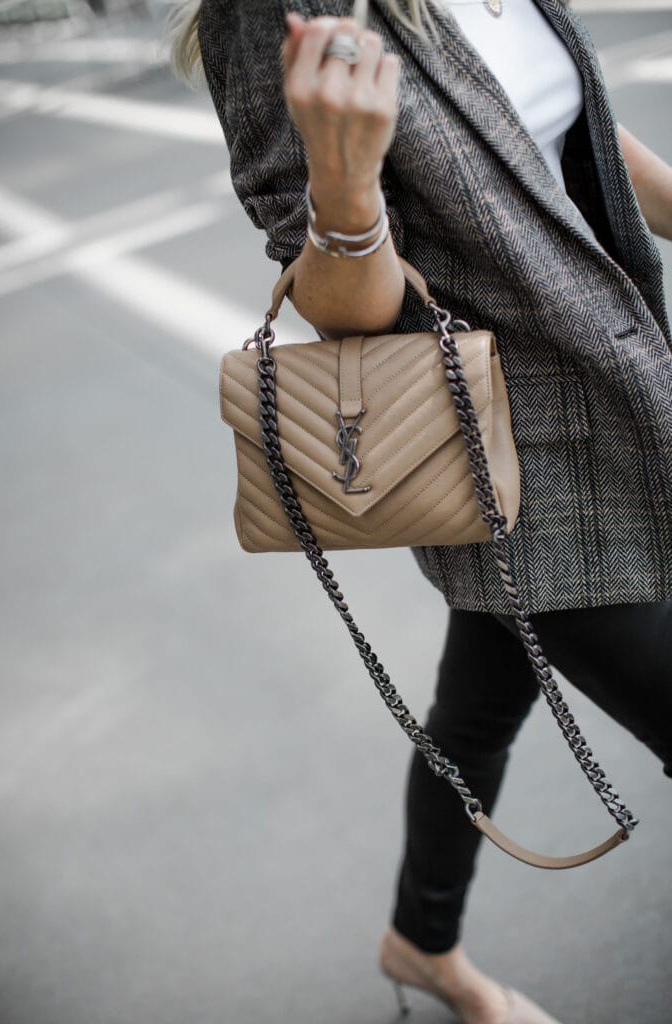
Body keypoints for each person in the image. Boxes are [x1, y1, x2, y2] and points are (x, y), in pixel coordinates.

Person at [166, 2, 672, 1021]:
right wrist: (344, 185)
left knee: (476, 706)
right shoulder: (266, 16)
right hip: (513, 465)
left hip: (634, 380)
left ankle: (419, 941)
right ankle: (426, 946)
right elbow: (340, 309)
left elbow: (548, 128)